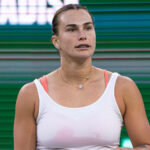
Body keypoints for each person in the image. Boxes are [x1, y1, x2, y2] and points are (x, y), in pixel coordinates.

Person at [14, 4, 150, 150]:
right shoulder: (30, 93)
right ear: (56, 41)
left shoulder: (123, 87)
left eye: (88, 28)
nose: (83, 35)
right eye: (72, 29)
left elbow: (146, 145)